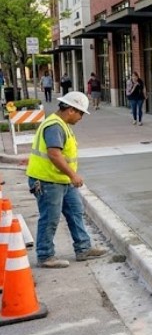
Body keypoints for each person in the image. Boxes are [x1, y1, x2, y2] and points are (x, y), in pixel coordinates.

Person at [25, 91, 108, 269]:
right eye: (80, 113)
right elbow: (54, 154)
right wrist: (73, 175)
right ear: (70, 110)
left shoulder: (61, 124)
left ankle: (83, 248)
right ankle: (45, 255)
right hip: (48, 181)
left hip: (60, 180)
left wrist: (69, 177)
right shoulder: (55, 126)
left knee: (75, 211)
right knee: (50, 218)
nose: (81, 118)